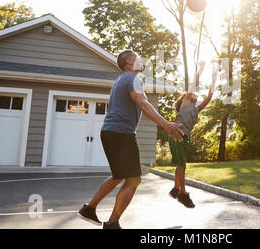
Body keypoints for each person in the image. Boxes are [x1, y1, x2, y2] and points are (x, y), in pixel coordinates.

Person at [77, 49, 184, 229]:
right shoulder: (133, 79)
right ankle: (111, 224)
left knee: (119, 176)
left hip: (111, 132)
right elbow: (143, 103)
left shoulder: (122, 80)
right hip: (121, 133)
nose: (140, 59)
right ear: (128, 62)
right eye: (136, 57)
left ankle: (89, 209)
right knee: (134, 178)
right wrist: (166, 124)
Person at [168, 61, 217, 208]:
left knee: (181, 165)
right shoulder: (186, 103)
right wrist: (201, 69)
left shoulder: (196, 109)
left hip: (184, 137)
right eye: (192, 94)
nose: (195, 94)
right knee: (181, 165)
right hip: (177, 135)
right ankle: (183, 194)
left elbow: (209, 97)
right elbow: (193, 85)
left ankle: (176, 188)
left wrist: (214, 79)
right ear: (186, 98)